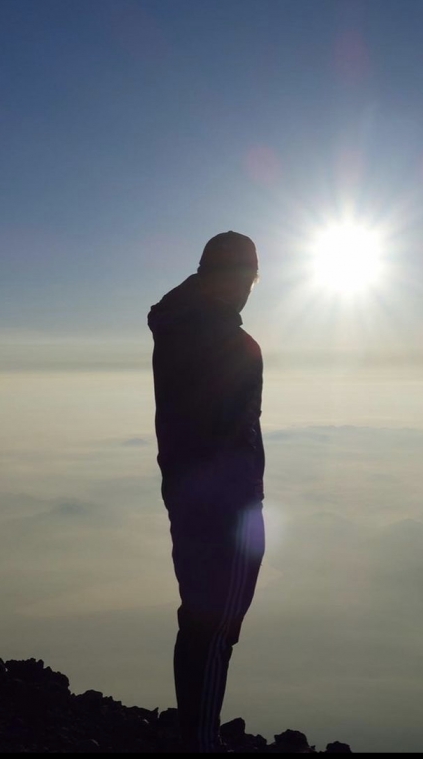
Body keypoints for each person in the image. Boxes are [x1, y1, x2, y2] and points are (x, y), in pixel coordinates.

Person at [147, 231, 265, 753]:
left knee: (197, 618)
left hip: (184, 493)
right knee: (217, 626)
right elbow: (232, 431)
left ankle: (195, 733)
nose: (246, 290)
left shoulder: (173, 328)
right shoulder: (234, 346)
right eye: (244, 278)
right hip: (226, 506)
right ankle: (201, 742)